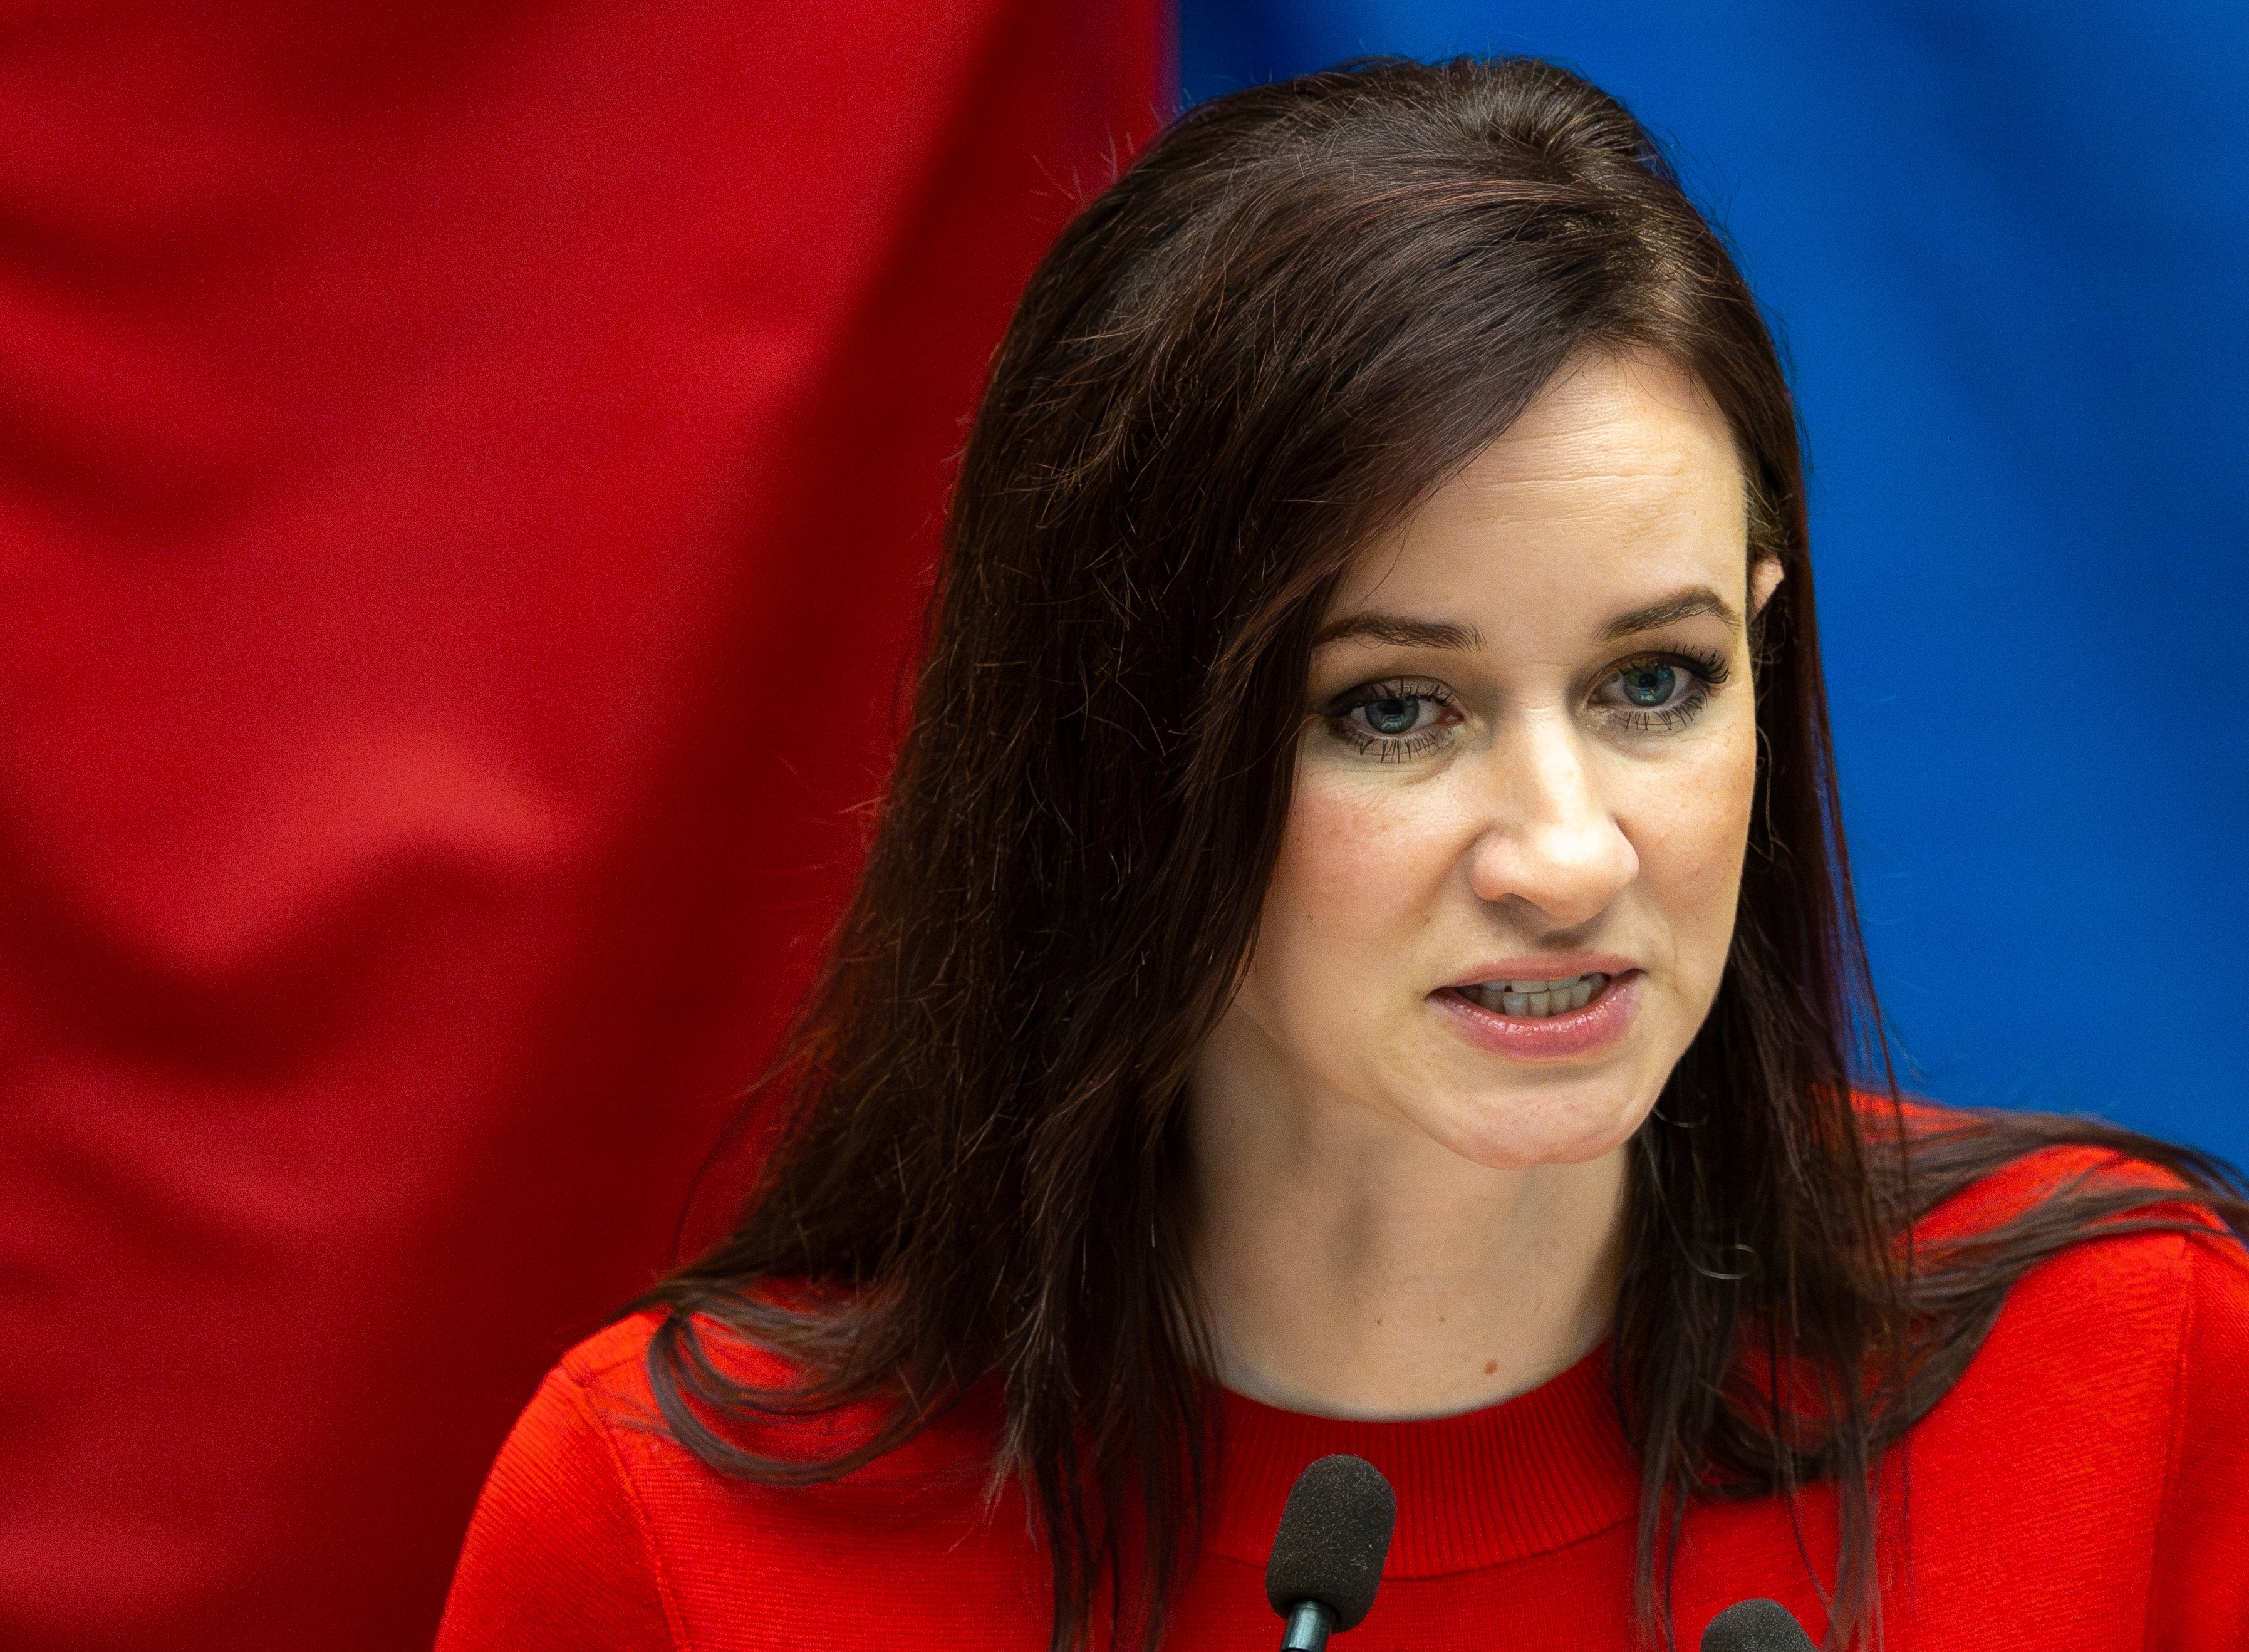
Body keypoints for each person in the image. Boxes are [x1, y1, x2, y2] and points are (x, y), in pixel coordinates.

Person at [432, 56, 2249, 1651]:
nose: (1562, 850)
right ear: (1117, 754)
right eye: (1393, 709)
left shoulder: (2145, 1377)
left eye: (1652, 680)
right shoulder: (669, 1529)